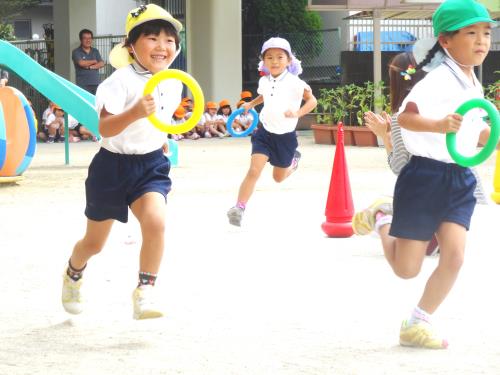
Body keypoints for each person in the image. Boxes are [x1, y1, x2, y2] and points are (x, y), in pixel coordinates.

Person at [352, 0, 498, 349]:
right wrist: (439, 124)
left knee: (455, 256)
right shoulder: (437, 80)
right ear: (446, 42)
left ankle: (418, 321)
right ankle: (383, 216)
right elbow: (406, 117)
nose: (481, 41)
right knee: (407, 269)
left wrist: (487, 136)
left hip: (460, 177)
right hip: (424, 177)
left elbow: (474, 133)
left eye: (486, 33)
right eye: (471, 33)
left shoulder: (472, 81)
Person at [61, 4, 184, 320]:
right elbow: (105, 127)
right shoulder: (117, 82)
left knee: (156, 222)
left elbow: (162, 121)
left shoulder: (174, 81)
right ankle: (74, 271)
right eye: (152, 38)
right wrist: (134, 113)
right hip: (111, 168)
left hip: (151, 165)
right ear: (131, 45)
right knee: (94, 243)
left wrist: (163, 140)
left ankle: (145, 291)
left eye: (169, 39)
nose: (162, 46)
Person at [227, 37, 317, 227]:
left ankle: (293, 161)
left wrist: (298, 113)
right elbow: (264, 95)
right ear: (264, 61)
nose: (274, 61)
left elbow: (312, 101)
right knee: (253, 170)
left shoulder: (295, 82)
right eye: (269, 57)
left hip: (285, 137)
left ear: (289, 60)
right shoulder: (264, 81)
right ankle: (239, 208)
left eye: (279, 57)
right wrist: (251, 103)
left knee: (278, 178)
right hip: (264, 133)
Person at [71, 29, 105, 94]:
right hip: (83, 85)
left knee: (96, 103)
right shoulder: (76, 52)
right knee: (84, 103)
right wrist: (94, 61)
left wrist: (90, 67)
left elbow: (102, 63)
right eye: (85, 38)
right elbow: (81, 63)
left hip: (96, 83)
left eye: (89, 38)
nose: (88, 40)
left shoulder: (95, 51)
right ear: (81, 40)